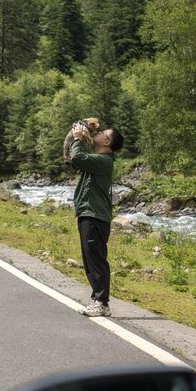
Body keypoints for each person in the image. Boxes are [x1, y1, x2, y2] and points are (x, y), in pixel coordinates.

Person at [69, 125, 124, 317]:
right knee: (89, 258)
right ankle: (98, 300)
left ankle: (102, 302)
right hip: (89, 213)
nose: (97, 134)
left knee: (96, 259)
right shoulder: (97, 160)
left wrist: (77, 138)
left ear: (108, 142)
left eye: (102, 134)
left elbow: (77, 157)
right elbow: (74, 160)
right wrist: (80, 138)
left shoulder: (104, 161)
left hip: (95, 215)